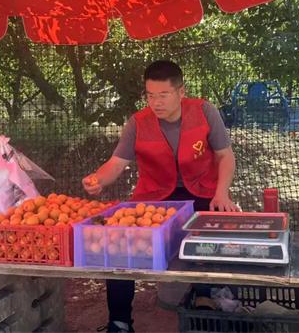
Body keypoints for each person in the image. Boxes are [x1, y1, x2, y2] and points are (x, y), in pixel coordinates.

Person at [82, 60, 239, 333]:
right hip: (154, 198)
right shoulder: (137, 122)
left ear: (181, 92)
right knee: (118, 245)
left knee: (213, 236)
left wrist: (222, 193)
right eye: (150, 95)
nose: (156, 102)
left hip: (202, 193)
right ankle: (119, 322)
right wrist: (98, 180)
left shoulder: (205, 111)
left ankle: (207, 299)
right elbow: (116, 163)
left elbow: (225, 156)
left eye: (163, 95)